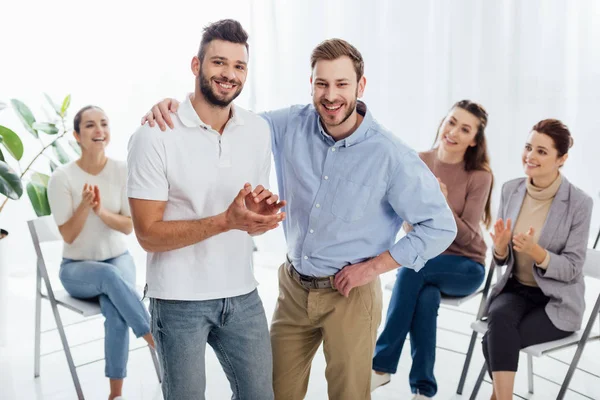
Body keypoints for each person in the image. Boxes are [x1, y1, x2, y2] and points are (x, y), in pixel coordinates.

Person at [143, 37, 457, 400]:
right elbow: (226, 121)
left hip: (350, 293)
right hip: (294, 290)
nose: (331, 95)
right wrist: (178, 109)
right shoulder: (288, 124)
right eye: (321, 83)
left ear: (361, 86)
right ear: (311, 84)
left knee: (349, 395)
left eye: (342, 84)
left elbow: (439, 227)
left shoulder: (392, 156)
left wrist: (371, 269)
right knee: (272, 391)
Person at [126, 20, 284, 400]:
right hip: (178, 300)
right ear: (196, 66)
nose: (229, 74)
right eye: (218, 62)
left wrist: (257, 220)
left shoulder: (257, 129)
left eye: (239, 66)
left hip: (242, 293)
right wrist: (226, 221)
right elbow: (147, 234)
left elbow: (246, 219)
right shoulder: (154, 134)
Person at [371, 100, 493, 399]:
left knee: (414, 268)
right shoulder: (419, 161)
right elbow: (409, 226)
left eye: (464, 129)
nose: (453, 132)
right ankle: (424, 390)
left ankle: (381, 366)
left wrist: (441, 203)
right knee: (424, 298)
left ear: (473, 140)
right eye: (451, 122)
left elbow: (466, 238)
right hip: (426, 263)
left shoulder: (480, 176)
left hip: (466, 266)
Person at [47, 105, 154, 400]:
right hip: (77, 269)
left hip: (118, 259)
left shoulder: (122, 170)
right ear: (77, 135)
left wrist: (100, 210)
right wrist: (84, 206)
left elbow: (128, 227)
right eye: (91, 125)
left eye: (104, 124)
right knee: (109, 277)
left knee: (116, 307)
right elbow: (68, 234)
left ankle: (115, 395)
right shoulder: (62, 177)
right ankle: (153, 337)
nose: (99, 131)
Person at [482, 119, 593, 400]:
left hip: (557, 300)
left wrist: (537, 253)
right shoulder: (511, 189)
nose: (530, 156)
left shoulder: (579, 203)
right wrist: (500, 248)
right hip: (518, 289)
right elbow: (502, 261)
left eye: (542, 151)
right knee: (498, 317)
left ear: (562, 159)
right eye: (529, 147)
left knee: (494, 339)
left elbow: (572, 268)